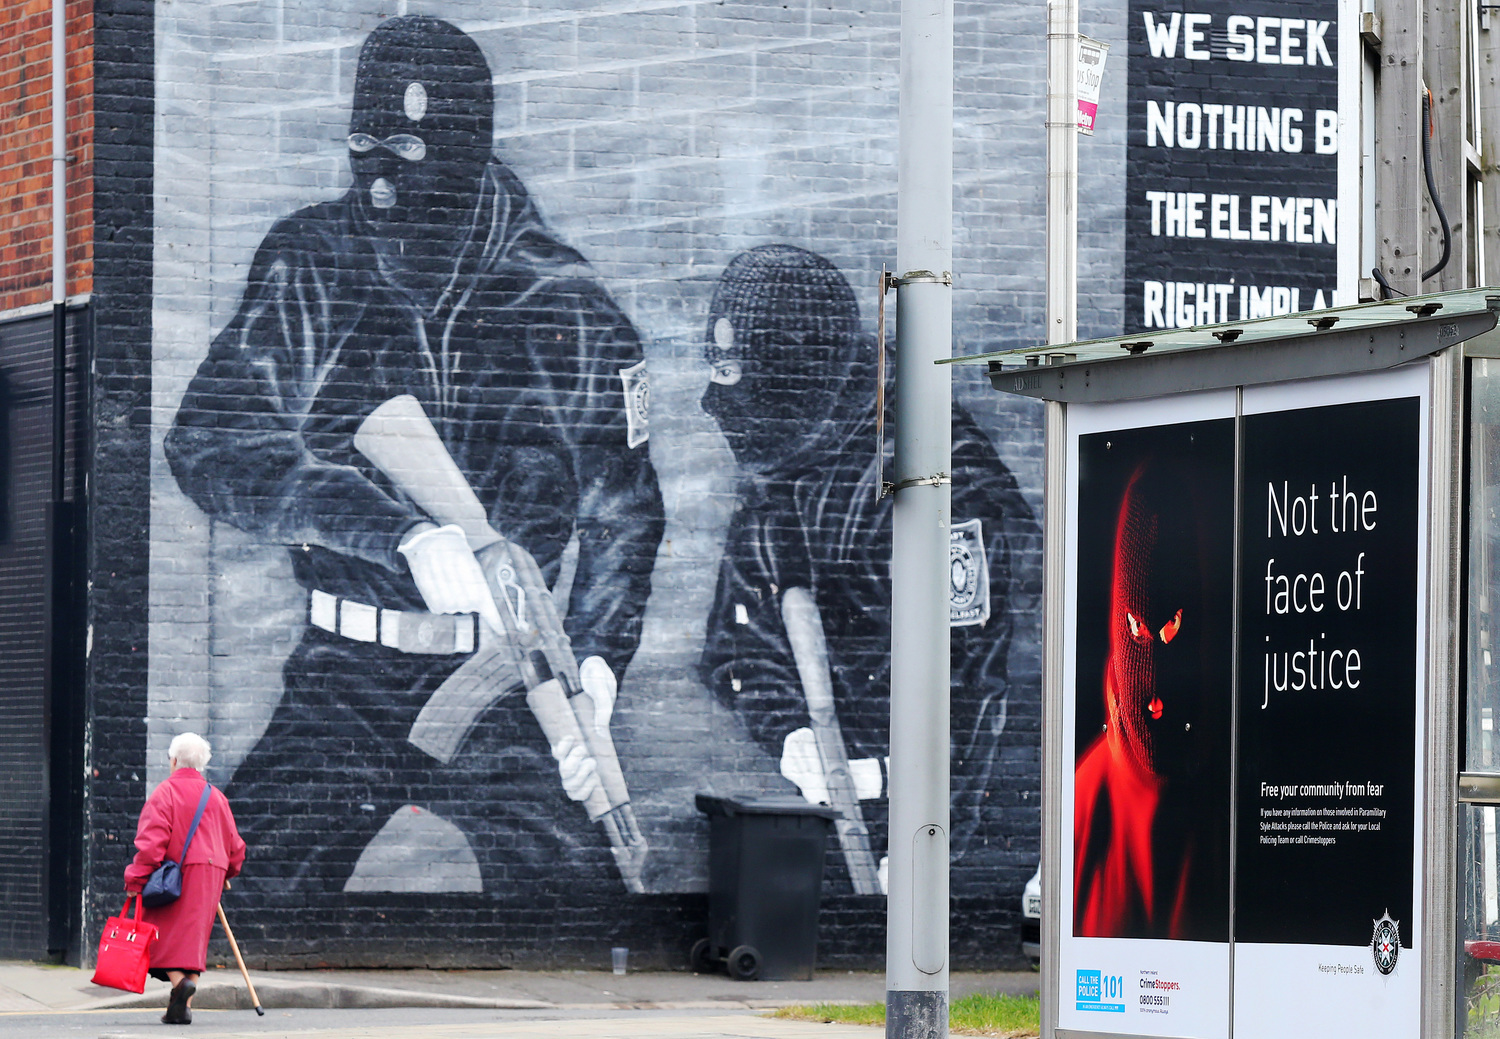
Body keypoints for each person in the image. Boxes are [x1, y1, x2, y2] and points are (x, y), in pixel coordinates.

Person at [164, 16, 664, 896]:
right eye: (364, 147)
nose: (381, 177)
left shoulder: (569, 304)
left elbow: (624, 512)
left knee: (583, 900)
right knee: (231, 891)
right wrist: (399, 535)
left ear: (465, 149)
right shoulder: (312, 263)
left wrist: (591, 670)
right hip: (342, 678)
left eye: (407, 150)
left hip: (504, 675)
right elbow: (211, 441)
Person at [697, 245, 1039, 892]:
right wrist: (791, 733)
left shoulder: (935, 485)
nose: (720, 411)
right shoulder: (784, 462)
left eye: (749, 387)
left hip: (969, 826)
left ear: (796, 385)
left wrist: (927, 831)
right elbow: (737, 640)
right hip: (848, 810)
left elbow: (983, 688)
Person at [1072, 454, 1231, 941]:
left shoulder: (1228, 796)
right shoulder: (1085, 800)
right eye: (1138, 631)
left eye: (1172, 629)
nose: (1156, 702)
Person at [125, 733, 246, 1026]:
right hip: (211, 875)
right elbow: (235, 846)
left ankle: (180, 985)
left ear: (174, 760)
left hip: (176, 875)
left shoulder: (165, 792)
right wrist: (228, 872)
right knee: (193, 941)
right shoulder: (217, 797)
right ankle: (182, 1007)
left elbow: (151, 843)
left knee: (160, 935)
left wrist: (135, 879)